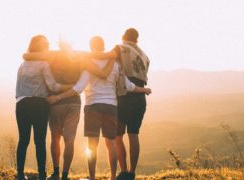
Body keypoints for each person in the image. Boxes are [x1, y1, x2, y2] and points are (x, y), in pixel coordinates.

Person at [47, 36, 151, 180]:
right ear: (103, 46)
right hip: (111, 106)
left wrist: (58, 97)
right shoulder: (115, 64)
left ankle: (92, 177)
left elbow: (79, 88)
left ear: (91, 47)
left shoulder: (88, 63)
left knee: (92, 144)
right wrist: (144, 90)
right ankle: (113, 177)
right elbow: (128, 86)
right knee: (111, 143)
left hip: (93, 106)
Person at [23, 41, 114, 180]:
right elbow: (87, 77)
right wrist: (113, 55)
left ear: (59, 45)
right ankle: (65, 175)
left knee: (55, 137)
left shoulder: (51, 56)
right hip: (73, 103)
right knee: (69, 140)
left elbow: (29, 56)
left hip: (55, 102)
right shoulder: (80, 57)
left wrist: (26, 54)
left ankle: (56, 173)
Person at [93, 28, 151, 180]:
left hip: (124, 97)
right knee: (134, 134)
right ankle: (132, 173)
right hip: (139, 98)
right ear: (137, 39)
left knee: (118, 136)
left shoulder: (121, 48)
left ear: (123, 37)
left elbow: (105, 56)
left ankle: (123, 171)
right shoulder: (144, 55)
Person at [15, 35, 71, 180]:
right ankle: (42, 175)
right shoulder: (44, 64)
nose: (48, 46)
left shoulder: (22, 64)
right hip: (39, 104)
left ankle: (20, 174)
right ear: (42, 47)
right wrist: (70, 87)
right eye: (46, 44)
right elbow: (53, 85)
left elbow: (18, 87)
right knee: (39, 141)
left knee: (23, 140)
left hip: (21, 104)